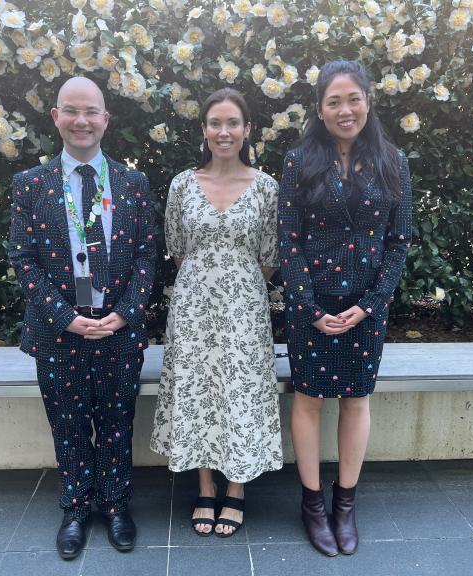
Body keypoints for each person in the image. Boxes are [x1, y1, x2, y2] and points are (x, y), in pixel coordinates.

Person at [8, 76, 156, 559]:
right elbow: (23, 260)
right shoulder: (30, 185)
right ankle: (74, 507)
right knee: (67, 423)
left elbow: (146, 259)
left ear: (105, 119)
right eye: (71, 111)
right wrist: (63, 317)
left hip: (118, 330)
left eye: (91, 111)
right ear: (55, 117)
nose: (81, 121)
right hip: (59, 333)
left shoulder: (132, 184)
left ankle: (114, 505)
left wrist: (125, 315)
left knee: (116, 420)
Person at [278, 60, 412, 556]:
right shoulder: (298, 163)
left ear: (368, 101)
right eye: (333, 101)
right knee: (309, 401)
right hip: (310, 306)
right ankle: (312, 504)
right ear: (319, 109)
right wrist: (309, 305)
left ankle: (345, 505)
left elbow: (399, 243)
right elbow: (287, 241)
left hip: (365, 308)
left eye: (352, 98)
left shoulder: (394, 162)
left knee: (356, 400)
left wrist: (372, 305)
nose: (344, 109)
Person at [150, 88, 282, 538]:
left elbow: (268, 256)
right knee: (199, 390)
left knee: (239, 392)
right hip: (191, 311)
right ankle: (205, 485)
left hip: (245, 311)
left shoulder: (266, 188)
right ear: (203, 130)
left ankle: (237, 488)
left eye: (232, 124)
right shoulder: (182, 185)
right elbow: (176, 248)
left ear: (247, 131)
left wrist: (232, 282)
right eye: (214, 123)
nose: (223, 132)